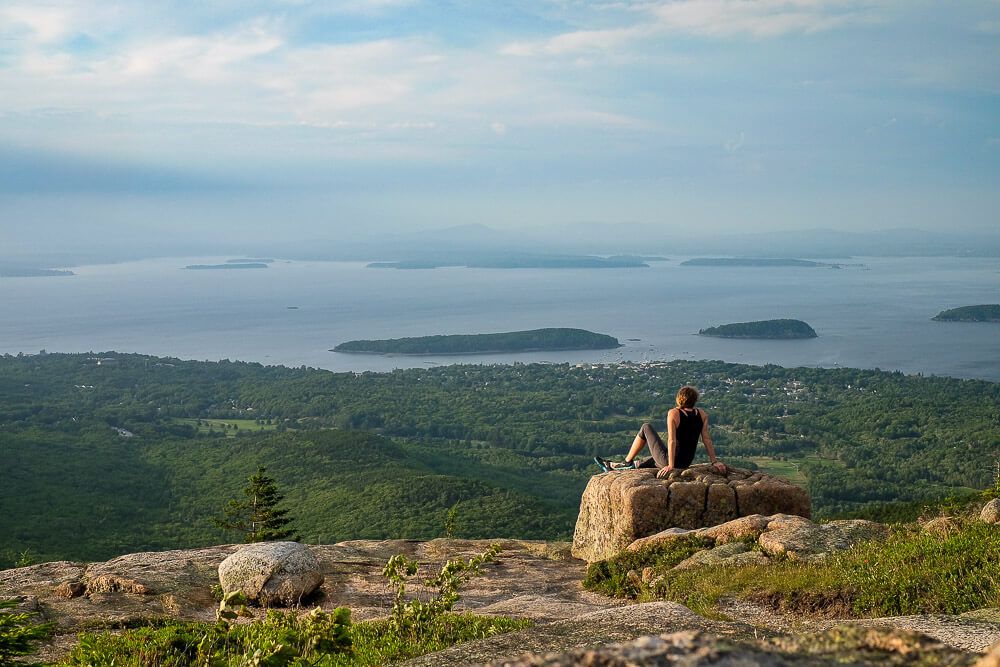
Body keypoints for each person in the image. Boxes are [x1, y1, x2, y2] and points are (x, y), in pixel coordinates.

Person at [594, 386, 725, 478]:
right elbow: (707, 439)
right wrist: (714, 461)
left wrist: (670, 465)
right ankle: (611, 466)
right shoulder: (701, 414)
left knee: (646, 427)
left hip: (671, 460)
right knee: (646, 462)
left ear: (680, 398)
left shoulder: (674, 413)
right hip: (686, 462)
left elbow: (672, 440)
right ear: (694, 399)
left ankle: (627, 461)